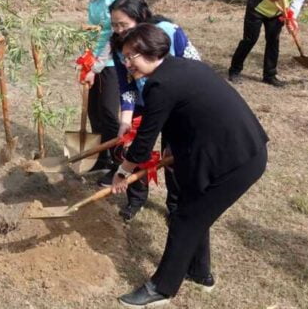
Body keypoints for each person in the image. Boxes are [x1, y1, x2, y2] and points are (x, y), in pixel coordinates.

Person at [111, 24, 267, 307]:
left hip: (237, 160)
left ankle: (162, 288)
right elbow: (177, 120)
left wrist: (122, 172)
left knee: (185, 218)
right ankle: (200, 272)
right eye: (124, 56)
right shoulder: (178, 68)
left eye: (130, 56)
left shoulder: (162, 84)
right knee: (195, 207)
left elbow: (144, 141)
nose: (126, 63)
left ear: (148, 50)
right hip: (230, 149)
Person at [4, 0, 131, 171]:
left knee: (109, 114)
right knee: (94, 110)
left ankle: (117, 165)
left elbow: (115, 38)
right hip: (93, 57)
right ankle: (99, 158)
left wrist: (95, 68)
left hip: (114, 61)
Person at [105, 0, 201, 221]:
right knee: (136, 148)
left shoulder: (169, 31)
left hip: (176, 102)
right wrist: (126, 120)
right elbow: (125, 85)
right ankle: (136, 198)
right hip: (143, 101)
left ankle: (175, 204)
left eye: (124, 24)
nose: (118, 30)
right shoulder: (118, 44)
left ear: (141, 20)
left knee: (174, 154)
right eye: (114, 25)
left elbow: (195, 66)